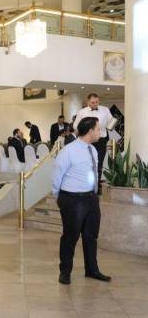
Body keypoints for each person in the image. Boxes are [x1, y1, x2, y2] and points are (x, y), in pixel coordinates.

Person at [52, 116, 111, 285]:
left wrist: (95, 194)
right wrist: (59, 198)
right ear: (90, 131)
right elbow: (57, 176)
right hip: (72, 199)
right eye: (98, 129)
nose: (100, 132)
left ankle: (92, 270)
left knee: (91, 236)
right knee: (70, 237)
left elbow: (93, 173)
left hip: (91, 198)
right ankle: (65, 272)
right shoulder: (68, 151)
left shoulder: (93, 150)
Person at [73, 93, 114, 194]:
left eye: (97, 102)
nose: (95, 104)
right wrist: (84, 131)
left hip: (101, 140)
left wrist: (108, 127)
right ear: (88, 102)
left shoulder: (105, 110)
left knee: (98, 164)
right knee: (86, 163)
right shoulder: (82, 112)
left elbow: (112, 121)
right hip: (87, 141)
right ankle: (85, 186)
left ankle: (96, 187)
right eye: (93, 102)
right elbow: (75, 125)